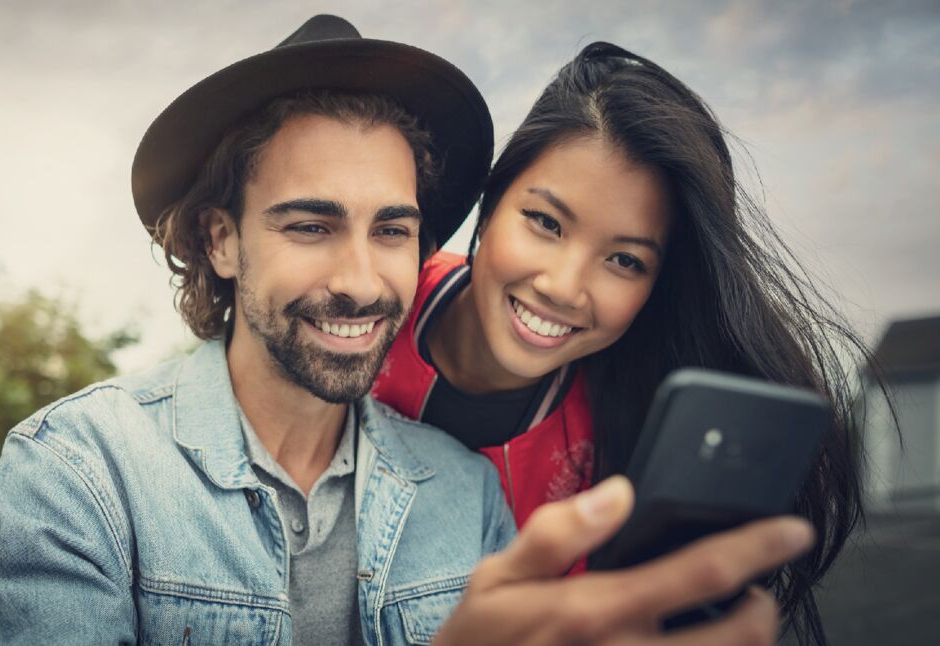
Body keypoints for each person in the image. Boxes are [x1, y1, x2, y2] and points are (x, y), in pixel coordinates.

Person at [0, 17, 814, 645]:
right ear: (221, 238)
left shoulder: (465, 494)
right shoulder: (81, 473)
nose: (362, 281)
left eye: (393, 230)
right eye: (309, 226)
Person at [373, 42, 872, 645]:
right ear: (492, 201)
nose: (563, 287)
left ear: (655, 287)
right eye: (545, 223)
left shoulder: (614, 465)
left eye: (624, 260)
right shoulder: (368, 303)